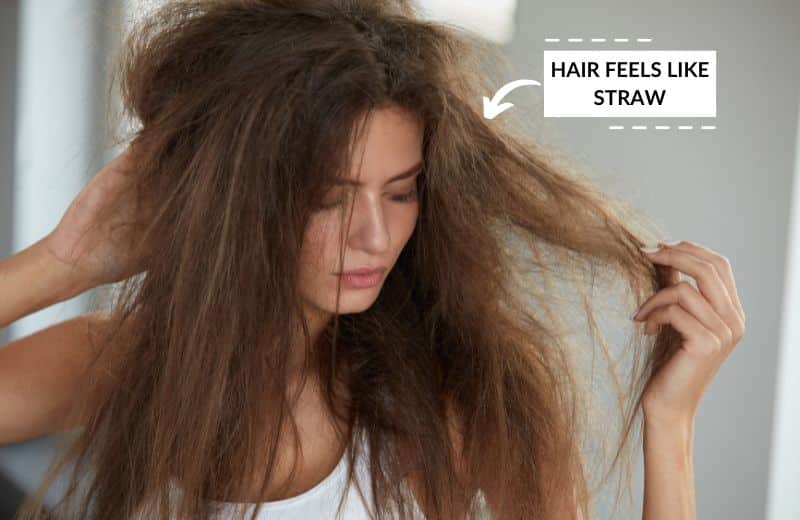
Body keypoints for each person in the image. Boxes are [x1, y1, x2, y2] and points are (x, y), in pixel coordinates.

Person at [0, 0, 745, 519]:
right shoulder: (131, 363)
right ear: (239, 202)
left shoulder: (455, 401)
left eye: (401, 193)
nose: (374, 237)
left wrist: (670, 424)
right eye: (329, 197)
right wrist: (63, 262)